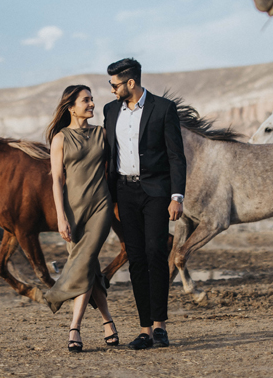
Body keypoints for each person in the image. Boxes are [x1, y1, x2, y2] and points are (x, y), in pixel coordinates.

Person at [103, 58, 186, 350]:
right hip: (125, 192)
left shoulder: (163, 108)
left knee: (155, 253)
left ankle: (161, 326)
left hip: (156, 192)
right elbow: (108, 154)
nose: (110, 89)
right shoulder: (110, 110)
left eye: (114, 84)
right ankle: (145, 330)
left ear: (130, 83)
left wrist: (177, 196)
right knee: (135, 257)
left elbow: (176, 155)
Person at [44, 85, 118, 353]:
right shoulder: (60, 139)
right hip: (73, 211)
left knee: (84, 261)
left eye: (92, 99)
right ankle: (107, 321)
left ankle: (73, 325)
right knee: (89, 267)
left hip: (100, 206)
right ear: (71, 107)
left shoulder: (103, 134)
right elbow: (57, 182)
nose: (91, 104)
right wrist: (61, 216)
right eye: (86, 100)